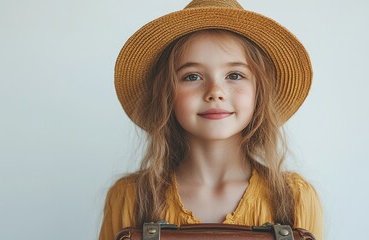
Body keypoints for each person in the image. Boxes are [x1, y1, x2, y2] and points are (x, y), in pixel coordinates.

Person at [99, 0, 323, 239]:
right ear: (166, 94)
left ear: (260, 92)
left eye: (234, 75)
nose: (215, 91)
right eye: (192, 76)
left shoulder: (296, 198)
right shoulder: (130, 198)